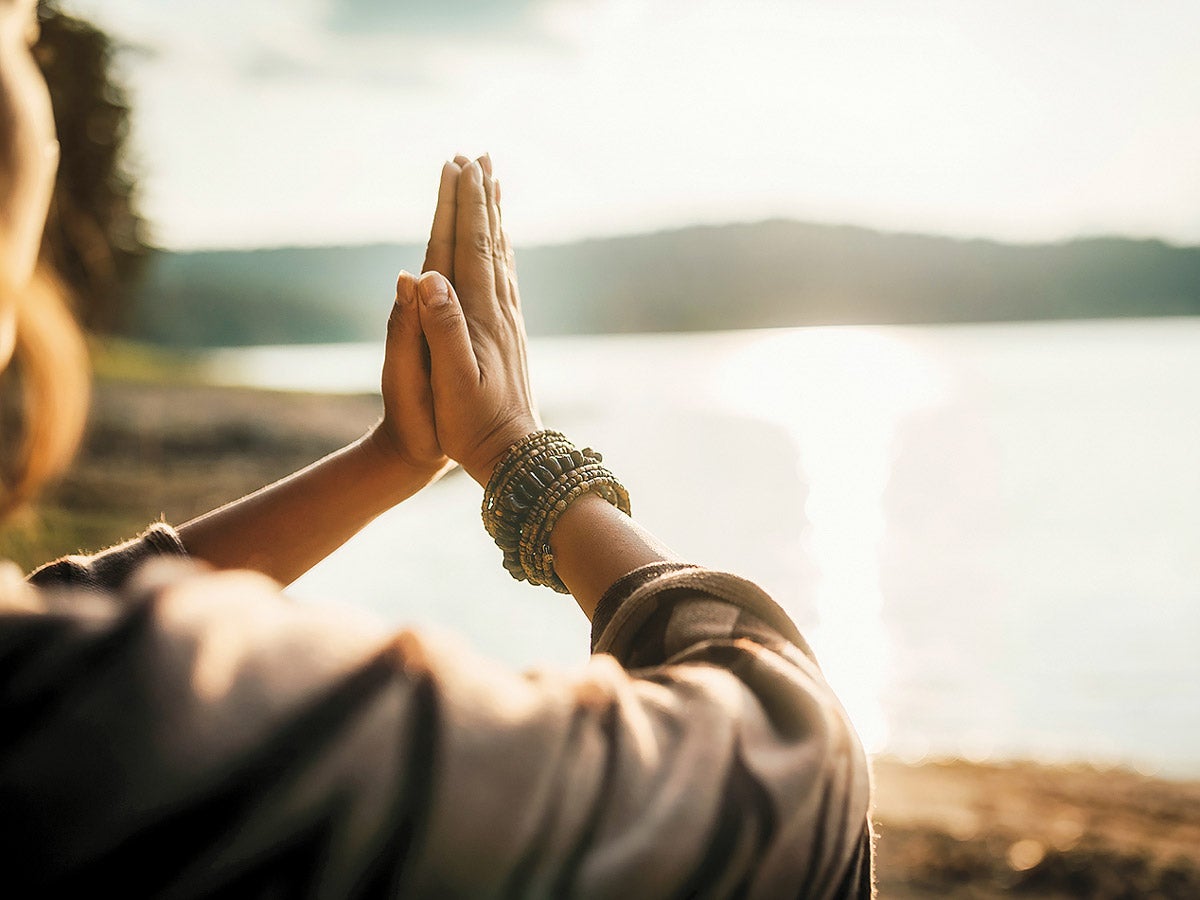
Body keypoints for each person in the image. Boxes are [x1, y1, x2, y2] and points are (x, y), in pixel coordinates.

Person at [1, 0, 874, 895]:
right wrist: (516, 453)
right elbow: (796, 773)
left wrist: (393, 457)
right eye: (22, 38)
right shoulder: (103, 716)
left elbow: (66, 610)